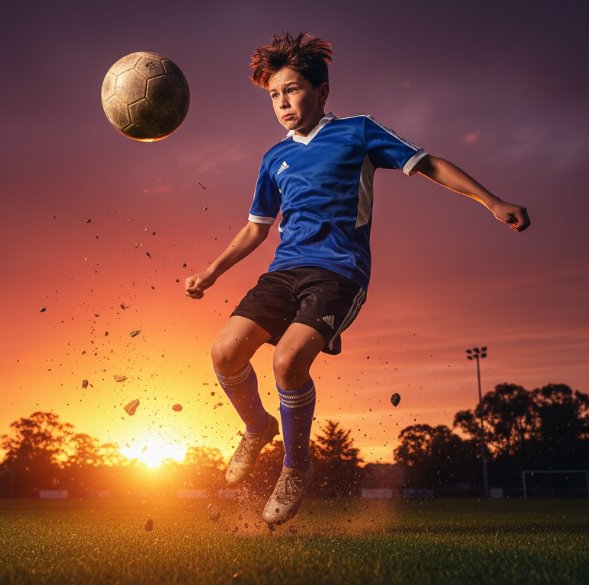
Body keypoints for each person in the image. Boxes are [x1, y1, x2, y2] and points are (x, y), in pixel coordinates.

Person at [184, 32, 530, 525]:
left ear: (322, 93)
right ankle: (257, 428)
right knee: (224, 352)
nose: (283, 102)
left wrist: (492, 202)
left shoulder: (358, 132)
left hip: (339, 273)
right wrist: (212, 271)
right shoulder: (272, 159)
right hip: (283, 272)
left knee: (287, 362)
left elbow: (427, 163)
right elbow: (257, 228)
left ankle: (296, 467)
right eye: (274, 95)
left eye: (293, 89)